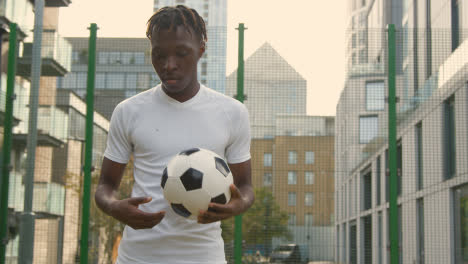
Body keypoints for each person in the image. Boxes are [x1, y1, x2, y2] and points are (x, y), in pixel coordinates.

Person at [94, 5, 254, 264]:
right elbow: (105, 187)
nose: (169, 65)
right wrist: (115, 207)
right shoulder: (128, 111)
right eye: (159, 55)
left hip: (204, 257)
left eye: (181, 54)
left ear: (201, 50)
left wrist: (238, 205)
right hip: (138, 257)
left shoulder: (232, 113)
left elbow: (245, 187)